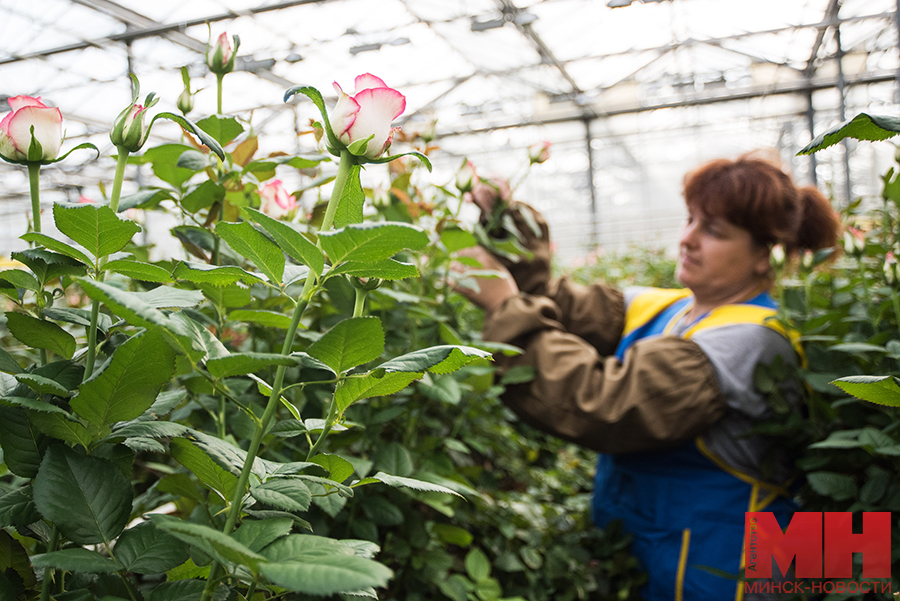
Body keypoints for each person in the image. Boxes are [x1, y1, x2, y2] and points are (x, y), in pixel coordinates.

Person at [454, 154, 841, 601]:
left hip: (722, 577)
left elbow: (603, 402)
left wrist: (504, 306)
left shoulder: (752, 341)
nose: (688, 239)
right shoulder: (669, 307)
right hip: (648, 563)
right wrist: (507, 223)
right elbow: (550, 300)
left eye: (714, 231)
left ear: (763, 255)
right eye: (691, 219)